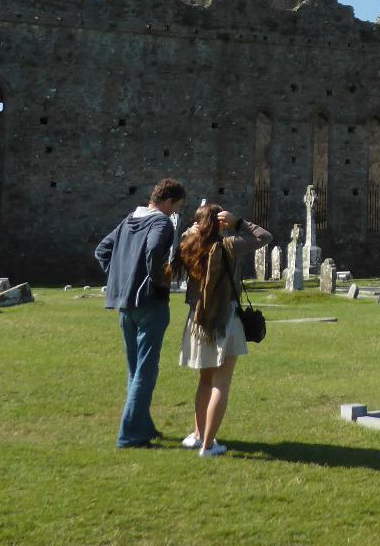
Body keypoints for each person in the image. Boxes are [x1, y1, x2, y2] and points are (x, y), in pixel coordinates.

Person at [94, 177, 186, 447]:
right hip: (150, 303)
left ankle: (143, 425)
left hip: (125, 305)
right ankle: (131, 434)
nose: (176, 212)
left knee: (135, 370)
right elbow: (155, 250)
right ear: (167, 202)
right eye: (176, 206)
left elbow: (102, 250)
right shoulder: (161, 222)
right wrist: (156, 280)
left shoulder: (129, 220)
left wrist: (121, 281)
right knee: (146, 370)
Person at [175, 204, 271, 457]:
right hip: (225, 318)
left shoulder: (189, 244)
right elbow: (264, 237)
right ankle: (208, 446)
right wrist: (238, 222)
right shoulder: (228, 246)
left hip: (198, 318)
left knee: (205, 381)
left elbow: (183, 241)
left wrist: (190, 230)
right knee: (221, 384)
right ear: (219, 223)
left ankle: (197, 436)